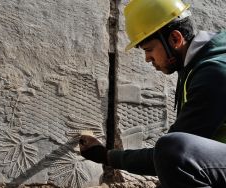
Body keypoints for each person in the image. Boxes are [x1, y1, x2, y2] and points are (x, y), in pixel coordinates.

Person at [79, 0, 226, 187]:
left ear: (175, 39)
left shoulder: (215, 74)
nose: (148, 58)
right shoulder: (198, 65)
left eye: (149, 49)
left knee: (171, 150)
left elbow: (173, 154)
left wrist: (107, 156)